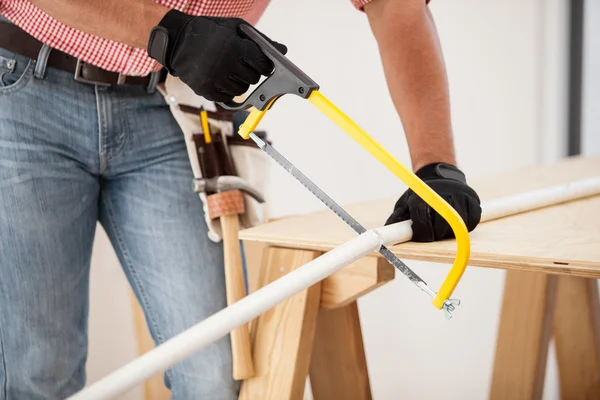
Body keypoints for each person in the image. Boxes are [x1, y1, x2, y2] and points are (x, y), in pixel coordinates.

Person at [0, 0, 481, 398]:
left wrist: (435, 166)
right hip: (26, 91)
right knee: (38, 372)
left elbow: (396, 7)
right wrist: (171, 32)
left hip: (178, 108)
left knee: (214, 377)